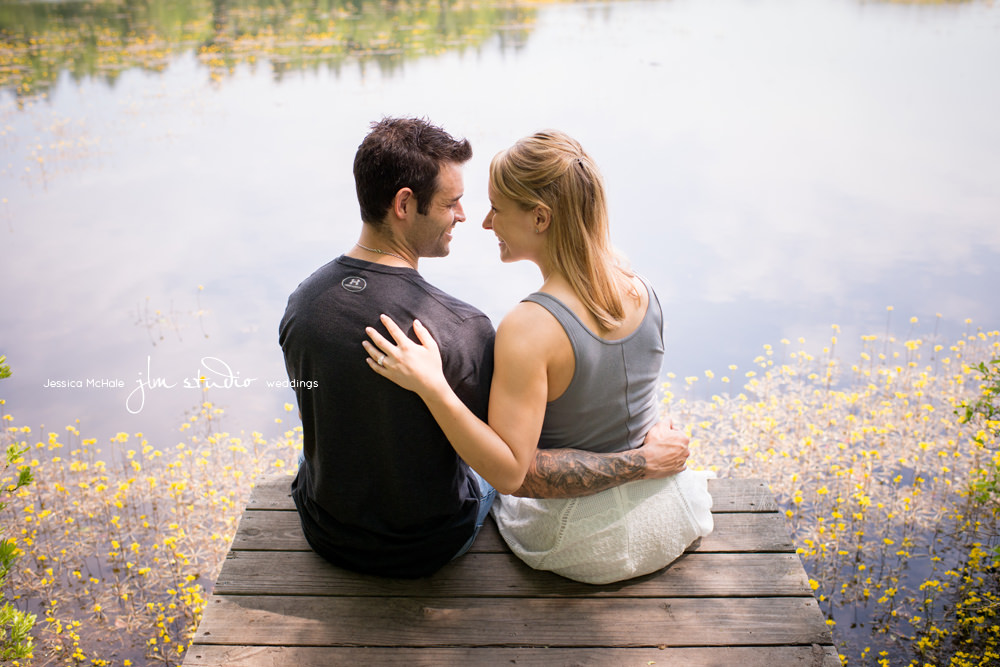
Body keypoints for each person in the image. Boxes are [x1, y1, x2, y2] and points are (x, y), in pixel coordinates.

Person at [280, 118, 690, 579]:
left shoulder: (302, 303)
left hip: (327, 532)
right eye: (452, 202)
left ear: (540, 217)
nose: (473, 218)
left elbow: (507, 465)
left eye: (491, 207)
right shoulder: (468, 326)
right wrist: (644, 458)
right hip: (433, 544)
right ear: (404, 204)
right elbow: (510, 470)